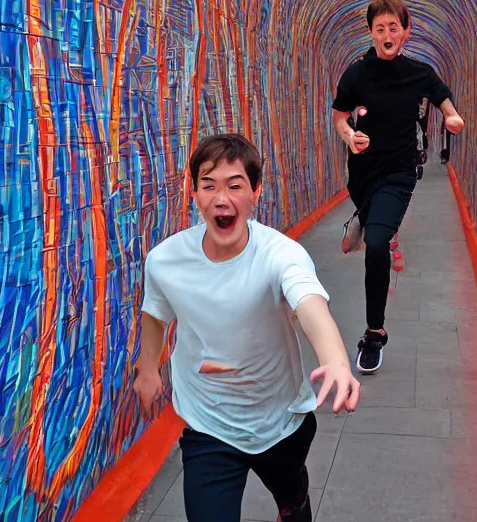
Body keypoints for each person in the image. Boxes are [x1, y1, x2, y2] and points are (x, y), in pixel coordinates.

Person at [134, 133, 359, 522]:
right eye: (209, 186)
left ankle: (295, 503)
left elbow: (309, 303)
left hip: (279, 420)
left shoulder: (280, 255)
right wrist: (148, 367)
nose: (222, 198)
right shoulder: (165, 261)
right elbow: (156, 312)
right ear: (194, 194)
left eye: (235, 185)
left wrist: (336, 360)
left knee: (292, 500)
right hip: (208, 424)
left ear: (255, 191)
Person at [332, 0, 465, 374]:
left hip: (399, 173)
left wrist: (453, 118)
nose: (387, 33)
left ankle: (374, 333)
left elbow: (443, 100)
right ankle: (372, 222)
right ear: (371, 33)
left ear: (405, 32)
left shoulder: (419, 72)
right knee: (375, 222)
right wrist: (348, 137)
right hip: (362, 173)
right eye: (380, 28)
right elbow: (340, 117)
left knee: (375, 243)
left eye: (394, 27)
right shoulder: (356, 74)